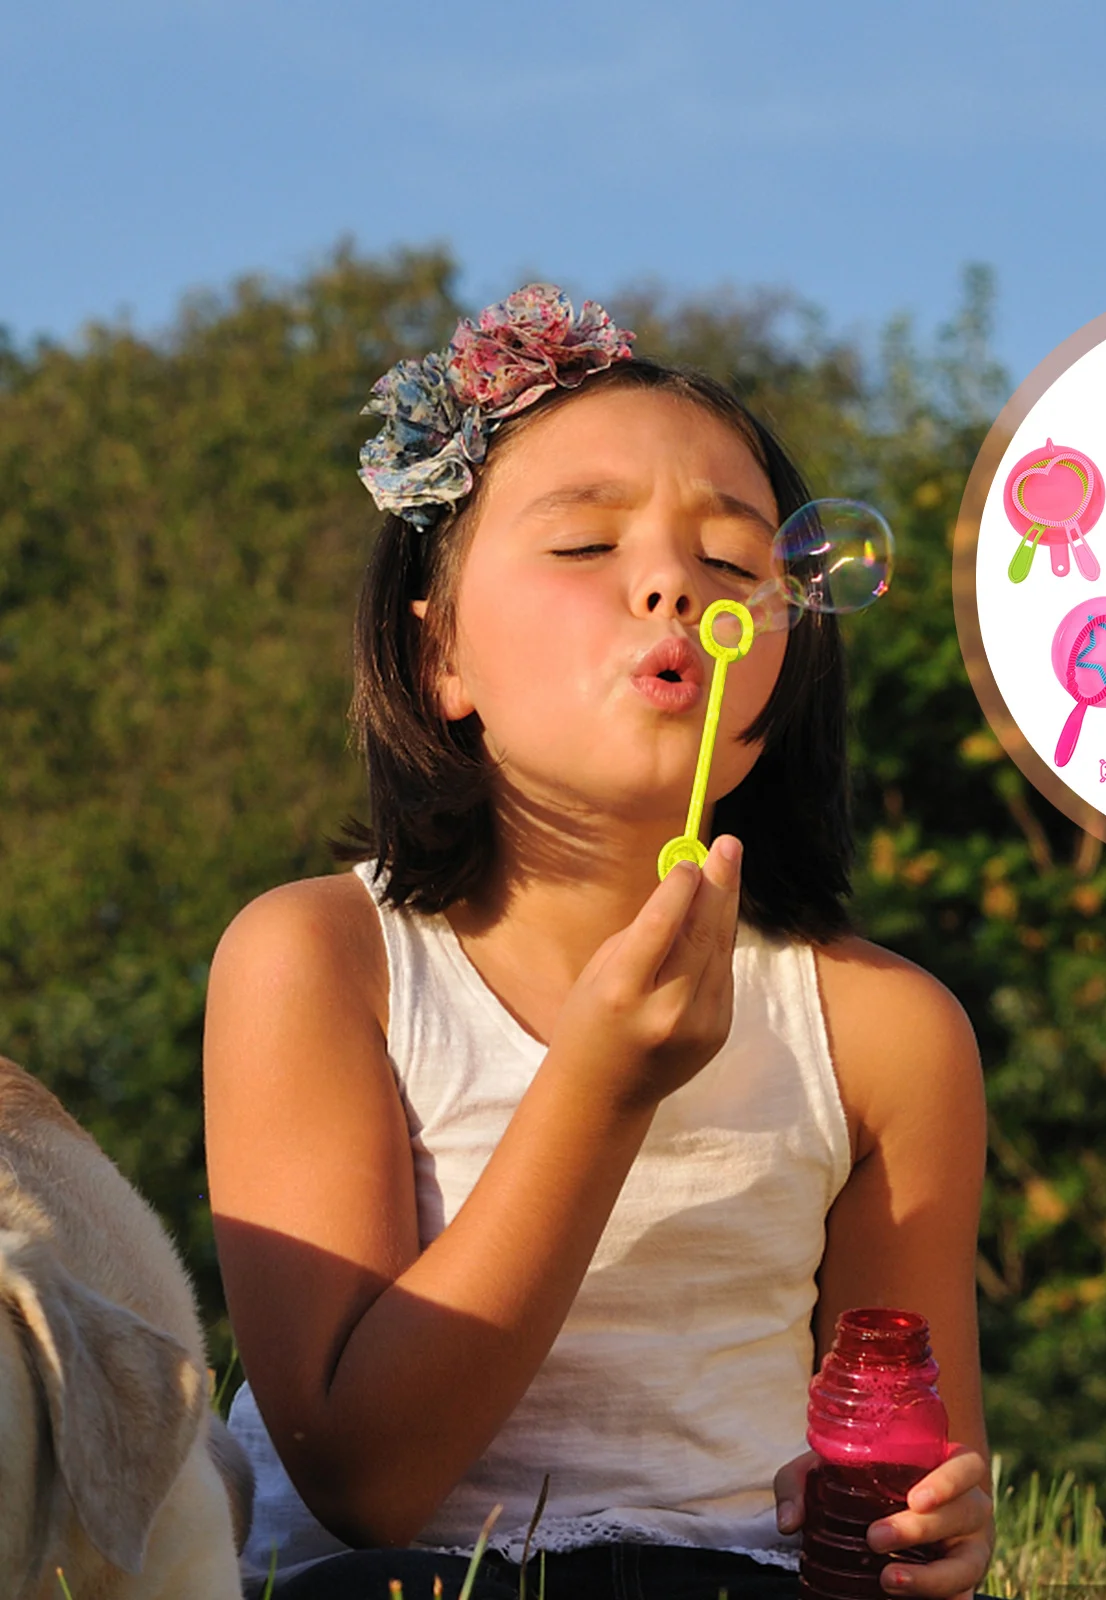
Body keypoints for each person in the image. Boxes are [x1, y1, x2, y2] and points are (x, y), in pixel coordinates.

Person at [204, 285, 995, 1600]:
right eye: (584, 547)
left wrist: (931, 1528)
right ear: (438, 656)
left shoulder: (884, 1030)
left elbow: (908, 1448)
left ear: (781, 674)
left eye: (738, 564)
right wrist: (601, 1086)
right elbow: (361, 1480)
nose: (673, 581)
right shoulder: (321, 958)